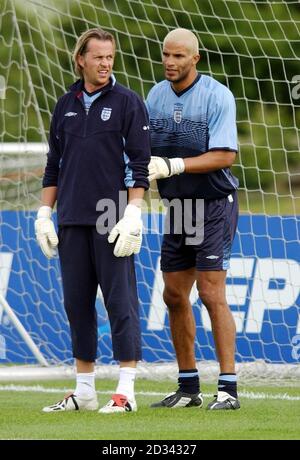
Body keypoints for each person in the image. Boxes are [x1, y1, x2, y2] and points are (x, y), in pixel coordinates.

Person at [35, 28, 151, 414]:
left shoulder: (128, 103)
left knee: (121, 303)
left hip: (111, 219)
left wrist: (133, 212)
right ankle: (84, 392)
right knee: (76, 305)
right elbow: (54, 165)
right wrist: (44, 213)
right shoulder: (64, 103)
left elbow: (139, 165)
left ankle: (126, 392)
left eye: (110, 57)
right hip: (71, 220)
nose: (105, 64)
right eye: (98, 57)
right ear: (80, 59)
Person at [146, 28, 240, 410]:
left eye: (179, 56)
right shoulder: (154, 95)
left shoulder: (217, 96)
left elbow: (224, 156)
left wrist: (174, 164)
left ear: (195, 59)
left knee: (210, 293)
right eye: (166, 55)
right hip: (178, 208)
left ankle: (229, 389)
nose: (170, 62)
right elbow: (143, 151)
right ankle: (188, 388)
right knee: (172, 295)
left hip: (214, 203)